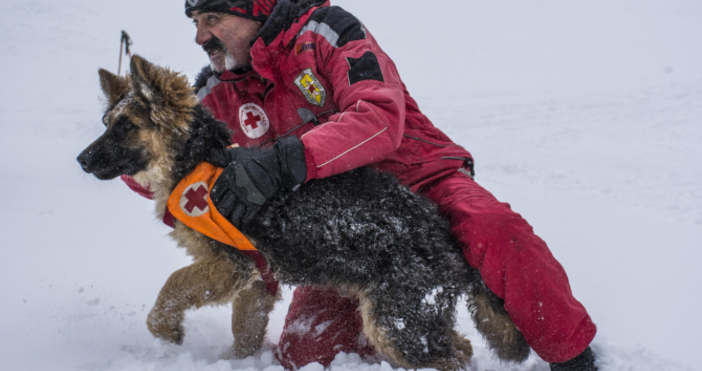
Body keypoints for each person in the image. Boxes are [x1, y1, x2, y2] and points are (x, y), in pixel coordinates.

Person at [127, 0, 598, 369]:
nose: (200, 36)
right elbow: (172, 155)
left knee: (495, 231)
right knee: (309, 355)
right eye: (194, 22)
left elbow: (379, 115)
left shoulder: (324, 32)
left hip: (421, 180)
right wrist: (126, 153)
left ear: (257, 7)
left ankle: (570, 356)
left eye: (212, 18)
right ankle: (422, 334)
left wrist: (286, 159)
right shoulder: (218, 91)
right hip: (345, 227)